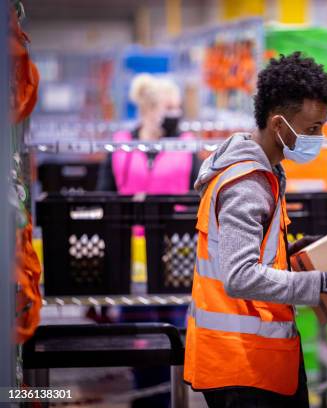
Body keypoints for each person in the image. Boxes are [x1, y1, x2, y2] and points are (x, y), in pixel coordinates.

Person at [184, 52, 327, 408]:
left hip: (254, 360)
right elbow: (239, 276)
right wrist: (325, 283)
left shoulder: (265, 171)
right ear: (279, 124)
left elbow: (252, 252)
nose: (319, 137)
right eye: (312, 128)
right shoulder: (247, 184)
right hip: (241, 366)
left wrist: (292, 253)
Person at [96, 74, 199, 408]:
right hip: (133, 256)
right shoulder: (121, 144)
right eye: (169, 107)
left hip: (177, 252)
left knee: (177, 330)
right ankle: (145, 396)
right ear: (149, 109)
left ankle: (170, 397)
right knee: (138, 333)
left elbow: (200, 195)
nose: (176, 113)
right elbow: (104, 197)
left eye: (178, 107)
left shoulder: (187, 144)